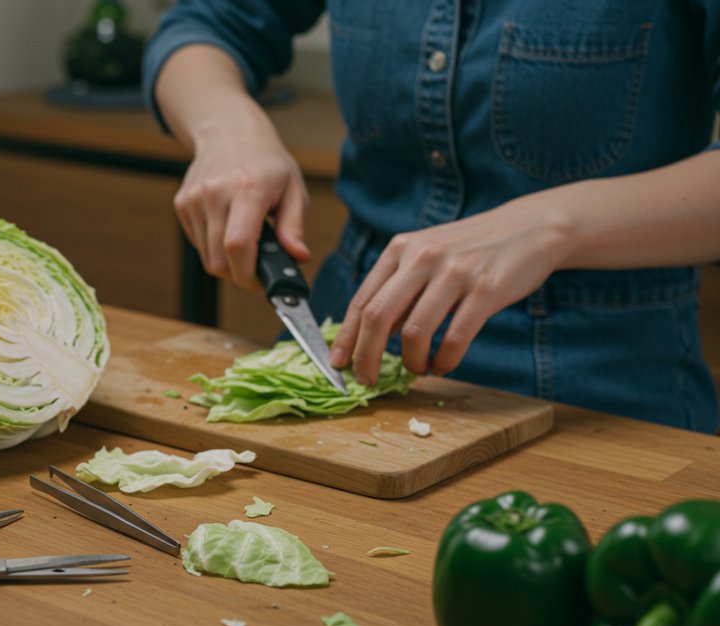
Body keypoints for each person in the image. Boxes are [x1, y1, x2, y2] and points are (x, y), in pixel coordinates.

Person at [143, 0, 720, 434]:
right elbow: (206, 24)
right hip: (337, 350)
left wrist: (552, 226)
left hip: (605, 393)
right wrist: (228, 132)